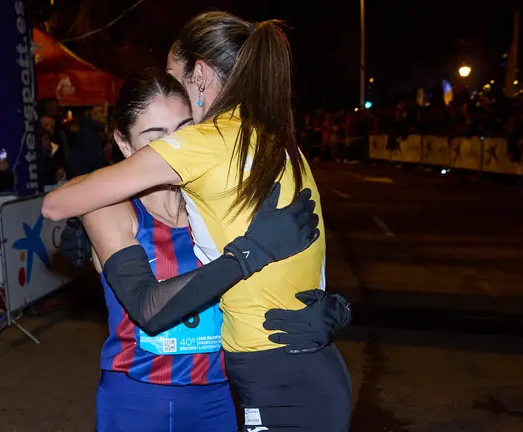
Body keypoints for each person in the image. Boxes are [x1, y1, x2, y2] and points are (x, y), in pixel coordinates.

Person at [43, 12, 350, 431]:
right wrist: (85, 218)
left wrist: (327, 307)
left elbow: (291, 250)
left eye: (182, 127)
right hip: (141, 396)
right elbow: (62, 205)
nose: (172, 145)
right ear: (123, 145)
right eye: (155, 138)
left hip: (220, 394)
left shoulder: (212, 192)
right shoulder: (115, 207)